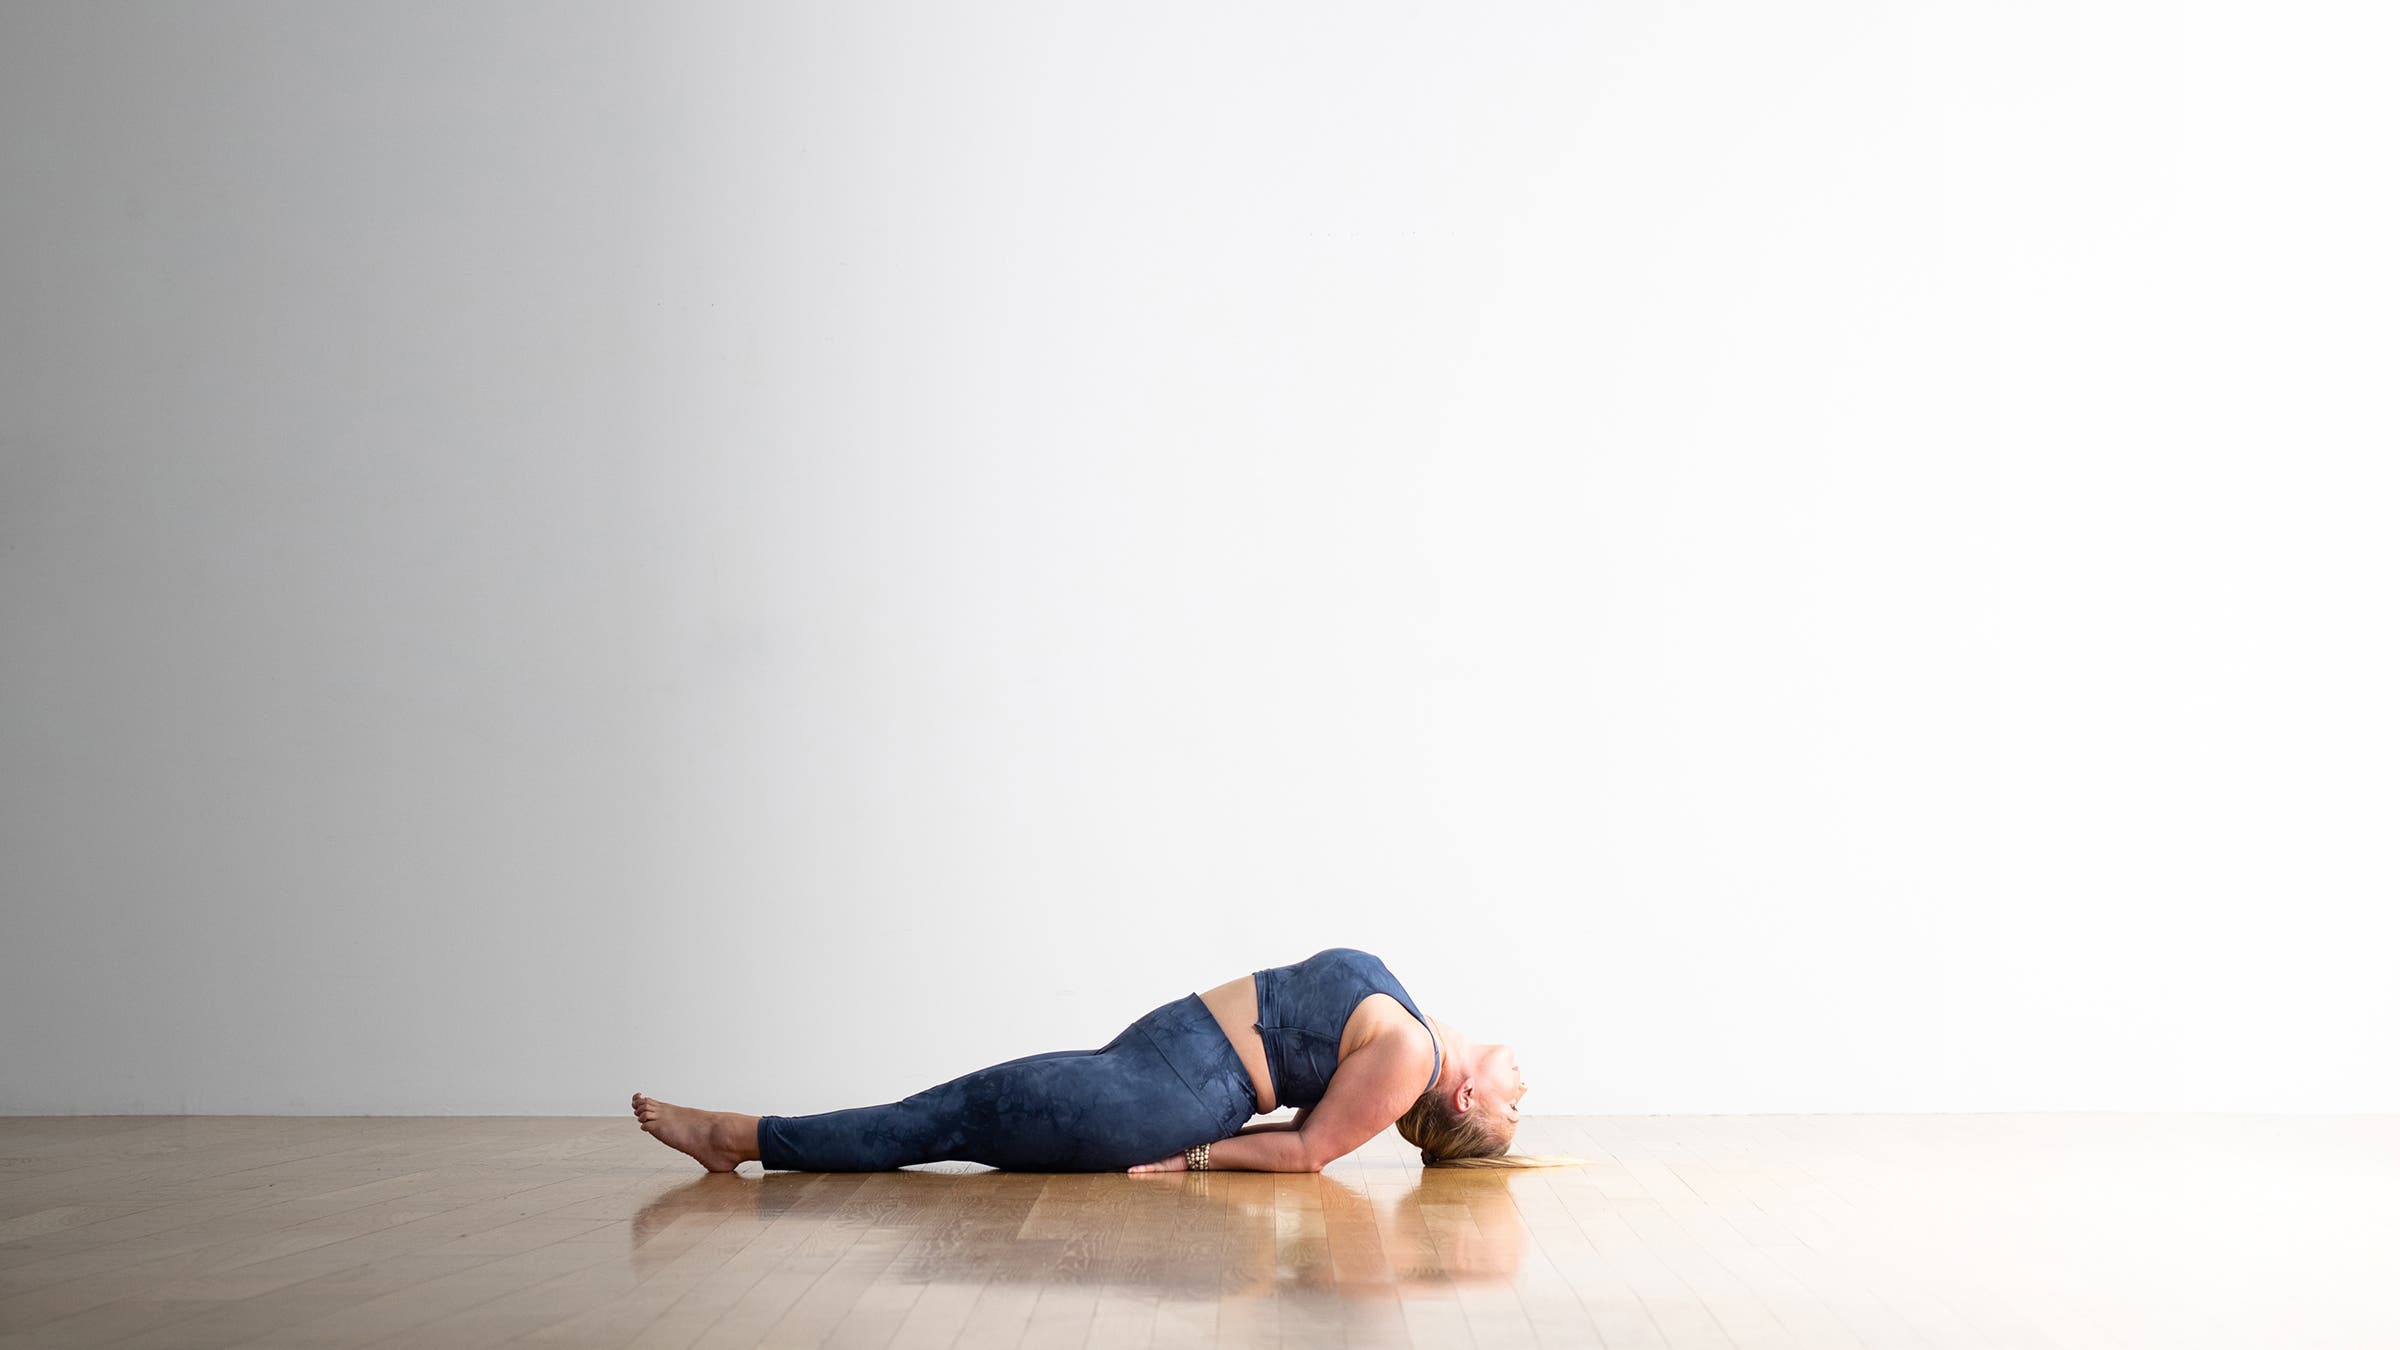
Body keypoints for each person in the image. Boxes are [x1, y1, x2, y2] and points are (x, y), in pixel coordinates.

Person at [631, 946, 1567, 1173]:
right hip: (1162, 1056)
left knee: (946, 1118)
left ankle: (740, 1137)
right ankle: (748, 1137)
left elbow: (1308, 1151)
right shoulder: (1414, 1025)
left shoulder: (1409, 1056)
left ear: (1466, 1098)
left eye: (1513, 1108)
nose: (1526, 1090)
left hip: (1169, 1094)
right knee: (952, 1110)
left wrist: (1191, 1158)